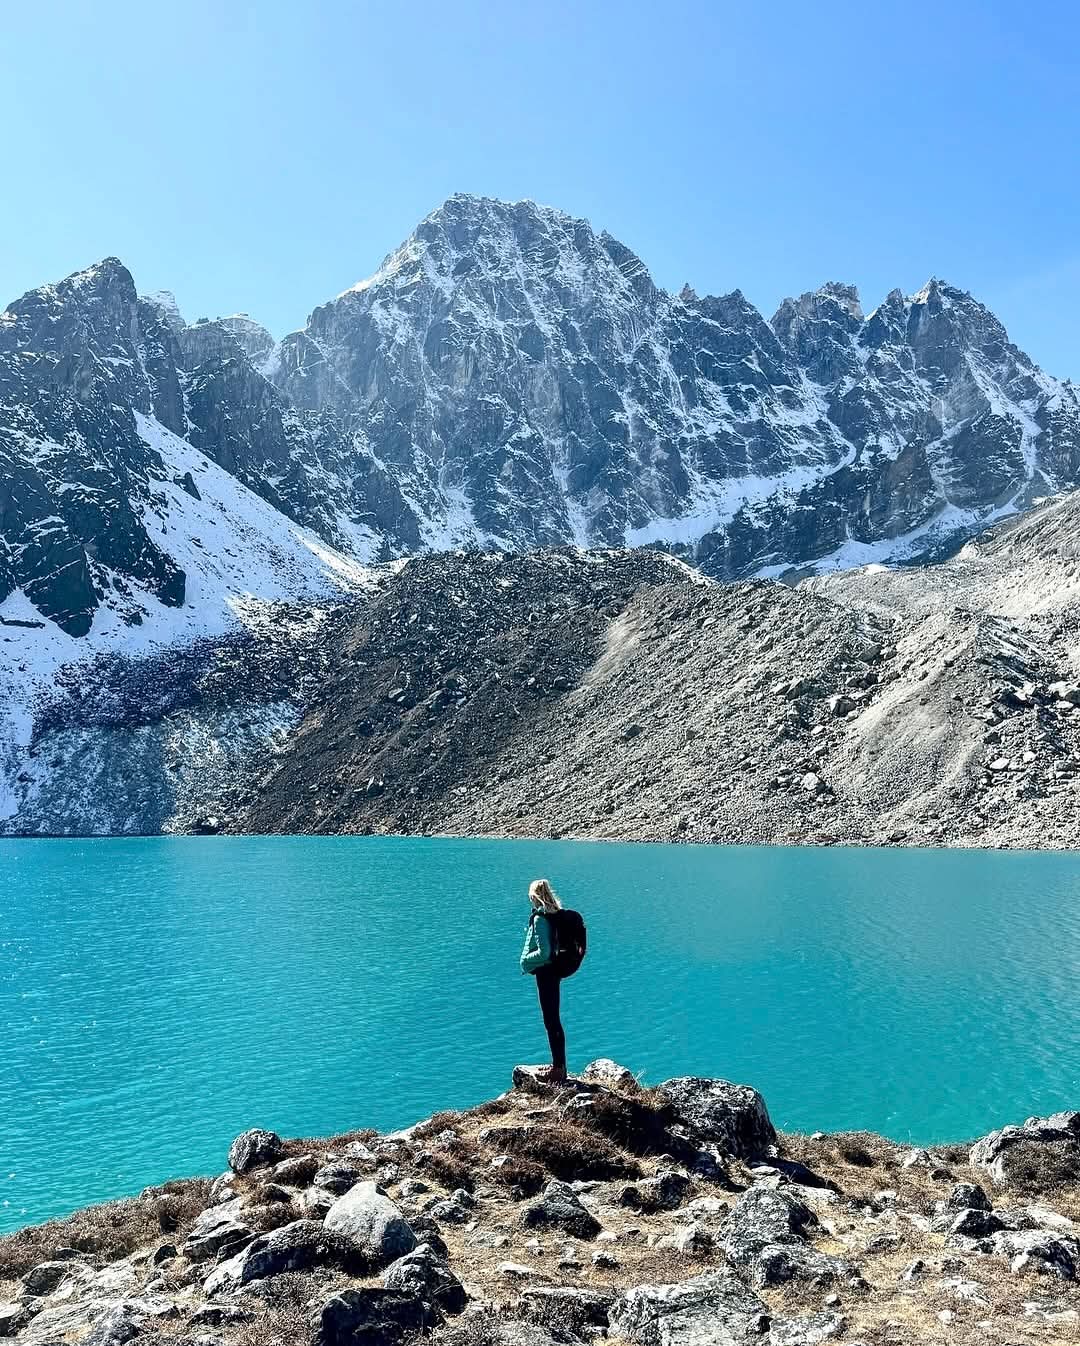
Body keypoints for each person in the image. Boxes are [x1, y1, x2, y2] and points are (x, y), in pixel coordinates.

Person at [520, 878, 568, 1083]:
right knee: (554, 1019)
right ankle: (559, 1065)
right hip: (555, 972)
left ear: (535, 896)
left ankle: (558, 1069)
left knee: (551, 1020)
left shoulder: (540, 918)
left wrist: (525, 962)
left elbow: (545, 952)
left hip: (546, 973)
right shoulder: (555, 914)